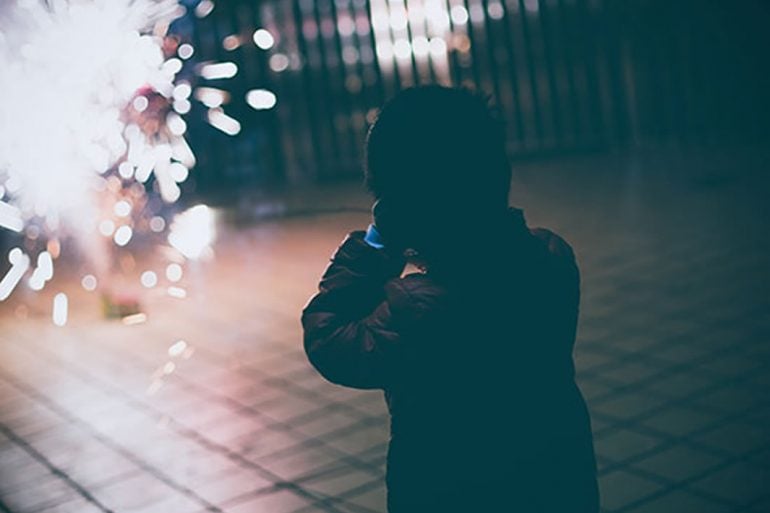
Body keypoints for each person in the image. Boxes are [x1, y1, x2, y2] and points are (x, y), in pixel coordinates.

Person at [301, 86, 599, 512]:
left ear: (404, 210)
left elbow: (327, 337)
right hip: (555, 474)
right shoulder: (551, 255)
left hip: (449, 490)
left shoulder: (419, 308)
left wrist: (375, 246)